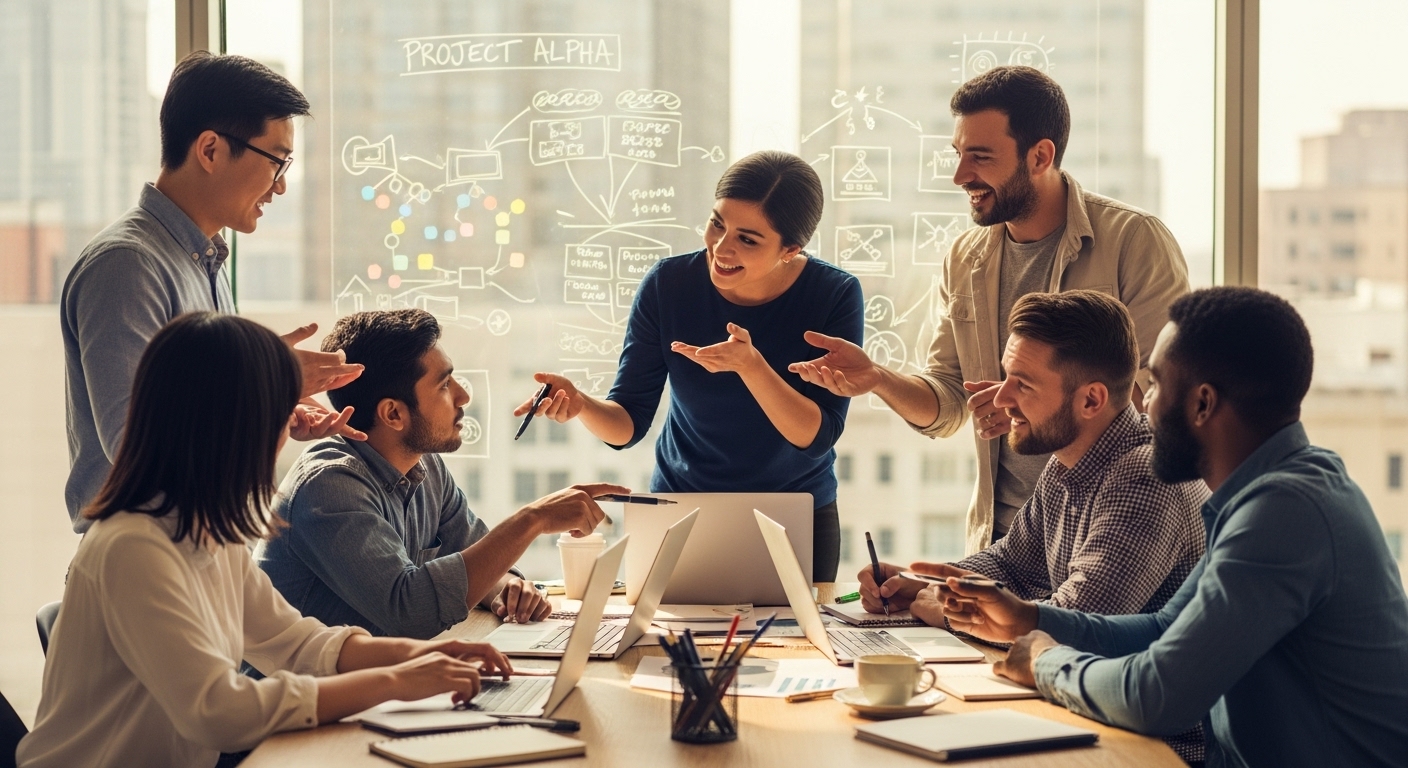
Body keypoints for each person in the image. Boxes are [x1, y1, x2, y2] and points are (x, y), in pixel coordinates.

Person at [17, 313, 515, 768]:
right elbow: (218, 712)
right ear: (231, 424)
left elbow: (298, 644)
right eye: (281, 411)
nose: (291, 429)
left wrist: (420, 657)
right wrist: (395, 682)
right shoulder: (133, 546)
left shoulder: (209, 531)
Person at [937, 287, 1408, 767]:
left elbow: (1155, 697)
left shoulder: (1284, 513)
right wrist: (1031, 621)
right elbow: (1165, 628)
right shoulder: (1271, 493)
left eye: (1157, 386)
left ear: (1203, 404)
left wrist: (1044, 661)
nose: (1145, 407)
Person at [791, 65, 1190, 554]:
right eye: (958, 155)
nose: (961, 176)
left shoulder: (1134, 241)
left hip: (1109, 530)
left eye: (980, 157)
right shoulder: (965, 257)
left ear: (1041, 155)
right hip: (1002, 544)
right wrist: (877, 378)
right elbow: (948, 400)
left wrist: (1036, 403)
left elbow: (1164, 407)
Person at [858, 290, 1208, 764]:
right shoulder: (1067, 458)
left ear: (1091, 399)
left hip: (1147, 746)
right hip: (1081, 713)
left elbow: (1072, 624)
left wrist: (943, 607)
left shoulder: (1145, 478)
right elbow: (1010, 562)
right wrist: (929, 583)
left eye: (1022, 384)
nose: (1001, 399)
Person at [513, 150, 864, 581]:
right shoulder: (669, 284)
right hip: (681, 510)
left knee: (798, 644)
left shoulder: (834, 294)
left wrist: (752, 367)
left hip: (794, 514)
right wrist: (581, 403)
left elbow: (817, 435)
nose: (721, 247)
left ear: (790, 249)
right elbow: (628, 425)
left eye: (748, 239)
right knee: (664, 646)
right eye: (718, 223)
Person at [61, 51, 364, 534]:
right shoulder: (127, 265)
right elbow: (133, 447)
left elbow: (199, 423)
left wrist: (273, 411)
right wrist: (266, 380)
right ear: (209, 150)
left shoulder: (205, 262)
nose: (280, 188)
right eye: (277, 162)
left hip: (199, 550)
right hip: (141, 563)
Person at [257, 309, 628, 635]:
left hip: (377, 690)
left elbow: (474, 552)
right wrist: (533, 519)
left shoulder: (425, 465)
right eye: (444, 385)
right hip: (301, 704)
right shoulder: (329, 486)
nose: (463, 396)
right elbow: (410, 610)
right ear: (393, 414)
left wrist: (508, 589)